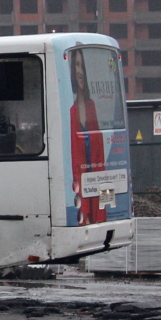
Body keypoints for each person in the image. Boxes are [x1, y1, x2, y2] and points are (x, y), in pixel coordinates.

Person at [68, 48, 104, 225]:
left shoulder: (91, 107)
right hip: (79, 180)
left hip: (93, 179)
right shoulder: (70, 110)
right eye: (76, 65)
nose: (80, 71)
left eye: (82, 66)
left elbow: (99, 152)